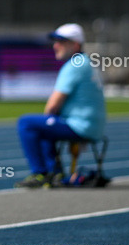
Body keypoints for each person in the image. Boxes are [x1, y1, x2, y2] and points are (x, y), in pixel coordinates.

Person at [15, 23, 106, 188]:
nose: (56, 45)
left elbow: (52, 105)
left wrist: (49, 118)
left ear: (76, 45)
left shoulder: (74, 66)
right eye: (56, 41)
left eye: (62, 41)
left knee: (26, 123)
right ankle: (54, 172)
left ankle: (41, 173)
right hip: (91, 125)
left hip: (81, 126)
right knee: (45, 125)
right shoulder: (86, 63)